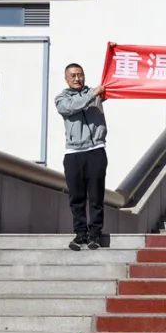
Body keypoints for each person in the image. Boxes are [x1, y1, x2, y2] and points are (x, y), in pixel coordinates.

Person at [55, 63, 108, 251]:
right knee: (76, 198)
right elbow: (73, 107)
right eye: (73, 75)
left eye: (80, 75)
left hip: (96, 150)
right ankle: (80, 234)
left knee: (96, 196)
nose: (77, 78)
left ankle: (95, 234)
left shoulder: (95, 94)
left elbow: (114, 89)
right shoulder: (61, 99)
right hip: (74, 154)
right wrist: (93, 94)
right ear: (66, 79)